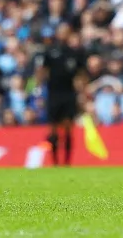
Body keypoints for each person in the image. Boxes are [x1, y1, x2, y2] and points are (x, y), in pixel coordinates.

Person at [35, 24, 86, 166]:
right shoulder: (50, 52)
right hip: (54, 94)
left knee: (69, 128)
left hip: (69, 94)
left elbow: (81, 74)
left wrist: (82, 92)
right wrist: (38, 92)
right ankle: (55, 161)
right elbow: (42, 72)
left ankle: (67, 162)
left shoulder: (74, 53)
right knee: (53, 129)